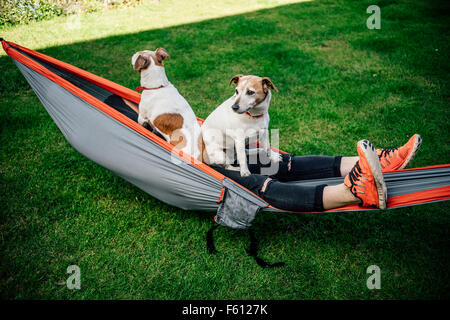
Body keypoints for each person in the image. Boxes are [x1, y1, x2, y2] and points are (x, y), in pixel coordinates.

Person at [102, 93, 421, 212]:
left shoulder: (146, 96)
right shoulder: (114, 121)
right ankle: (354, 192)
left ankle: (378, 161)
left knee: (280, 162)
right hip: (195, 164)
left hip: (209, 142)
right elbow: (154, 132)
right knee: (259, 185)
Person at [212, 134, 421, 212]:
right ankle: (355, 192)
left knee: (274, 161)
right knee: (252, 182)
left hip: (198, 147)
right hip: (188, 166)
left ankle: (374, 163)